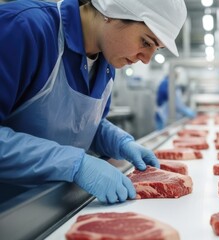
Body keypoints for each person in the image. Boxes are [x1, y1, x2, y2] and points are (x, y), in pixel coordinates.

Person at [0, 0, 187, 204]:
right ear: (112, 10)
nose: (147, 59)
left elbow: (79, 124)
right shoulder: (22, 27)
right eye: (146, 42)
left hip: (49, 207)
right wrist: (75, 164)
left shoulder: (106, 63)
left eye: (156, 49)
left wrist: (119, 142)